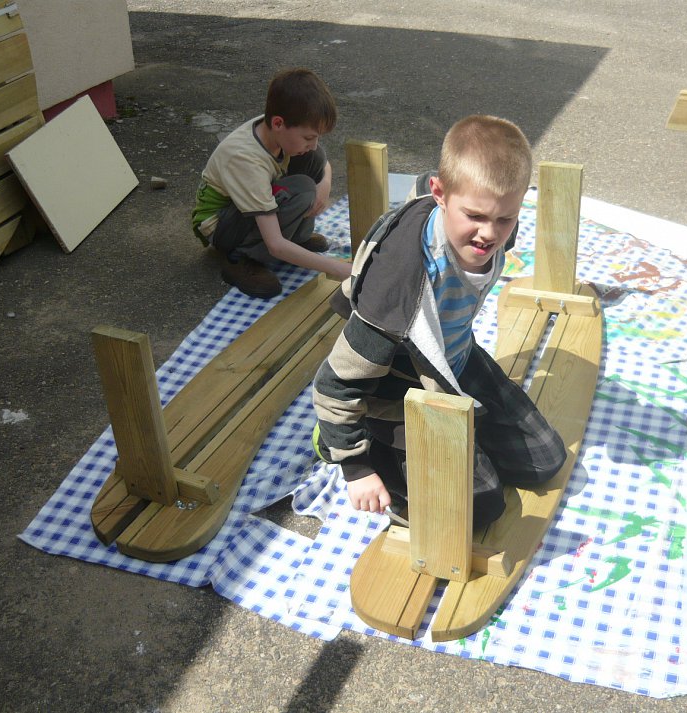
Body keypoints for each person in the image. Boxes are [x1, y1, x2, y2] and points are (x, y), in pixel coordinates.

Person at [312, 115, 566, 531]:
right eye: (476, 216)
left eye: (505, 219)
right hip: (397, 391)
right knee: (479, 508)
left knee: (544, 460)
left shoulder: (488, 219)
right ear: (440, 194)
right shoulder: (396, 289)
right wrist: (355, 468)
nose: (489, 235)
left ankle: (465, 440)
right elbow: (335, 384)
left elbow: (481, 211)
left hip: (453, 359)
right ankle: (352, 445)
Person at [191, 67, 352, 298]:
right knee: (303, 190)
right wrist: (340, 269)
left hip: (242, 209)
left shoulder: (276, 131)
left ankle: (295, 240)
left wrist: (325, 184)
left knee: (314, 158)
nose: (314, 143)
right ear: (278, 123)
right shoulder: (246, 160)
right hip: (221, 226)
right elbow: (275, 244)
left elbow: (323, 163)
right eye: (309, 137)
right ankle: (242, 258)